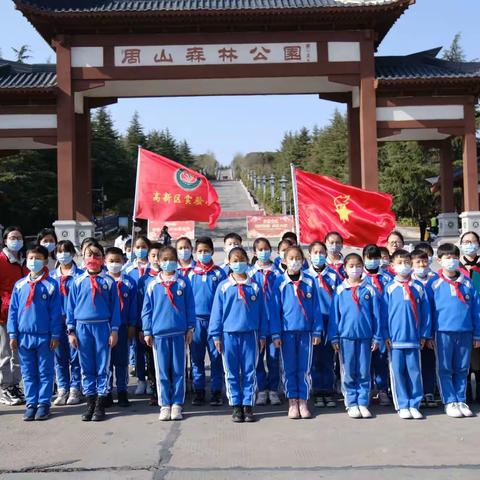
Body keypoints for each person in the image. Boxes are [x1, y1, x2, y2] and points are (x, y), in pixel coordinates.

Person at [209, 247, 266, 423]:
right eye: (234, 260)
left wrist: (263, 335)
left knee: (249, 371)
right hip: (229, 335)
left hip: (250, 334)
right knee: (231, 372)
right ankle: (235, 405)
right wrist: (216, 335)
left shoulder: (255, 286)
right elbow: (216, 313)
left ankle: (248, 404)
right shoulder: (224, 287)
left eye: (241, 259)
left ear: (247, 261)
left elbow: (263, 313)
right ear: (229, 262)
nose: (238, 263)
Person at [67, 241, 121, 422]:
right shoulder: (77, 281)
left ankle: (100, 403)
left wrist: (114, 330)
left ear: (103, 259)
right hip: (82, 328)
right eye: (88, 255)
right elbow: (70, 308)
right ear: (83, 258)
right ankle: (89, 401)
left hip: (102, 326)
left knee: (102, 366)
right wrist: (71, 331)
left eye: (96, 255)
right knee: (86, 366)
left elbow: (115, 309)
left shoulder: (108, 281)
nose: (92, 258)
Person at [7, 245, 62, 420]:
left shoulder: (51, 285)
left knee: (45, 372)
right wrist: (12, 334)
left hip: (45, 336)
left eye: (38, 258)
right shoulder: (20, 285)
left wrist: (55, 335)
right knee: (28, 372)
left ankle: (44, 404)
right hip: (24, 336)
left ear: (45, 261)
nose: (34, 261)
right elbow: (13, 311)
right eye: (31, 258)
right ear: (26, 259)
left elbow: (55, 313)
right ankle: (31, 403)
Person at [142, 246, 195, 421]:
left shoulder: (183, 282)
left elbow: (190, 307)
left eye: (171, 259)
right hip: (159, 334)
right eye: (164, 259)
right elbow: (147, 310)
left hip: (179, 333)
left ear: (177, 260)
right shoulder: (153, 284)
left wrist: (190, 328)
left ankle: (177, 404)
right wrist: (148, 330)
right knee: (162, 371)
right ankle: (165, 404)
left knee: (179, 369)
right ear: (158, 261)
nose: (167, 262)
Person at [271, 246, 324, 420]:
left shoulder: (309, 281)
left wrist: (317, 331)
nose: (294, 261)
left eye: (298, 258)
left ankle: (303, 400)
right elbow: (274, 310)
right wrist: (276, 334)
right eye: (291, 258)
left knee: (304, 369)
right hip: (286, 333)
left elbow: (316, 308)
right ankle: (292, 400)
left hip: (306, 332)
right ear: (284, 261)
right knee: (288, 368)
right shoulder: (279, 282)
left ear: (303, 261)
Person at [329, 253, 381, 419]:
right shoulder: (339, 290)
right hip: (346, 337)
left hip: (365, 337)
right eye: (351, 266)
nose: (355, 269)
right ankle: (351, 402)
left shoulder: (369, 289)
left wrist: (377, 336)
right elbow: (334, 316)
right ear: (344, 268)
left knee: (364, 370)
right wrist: (334, 337)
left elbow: (377, 316)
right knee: (349, 371)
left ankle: (362, 401)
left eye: (358, 265)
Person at [432, 243, 480, 418]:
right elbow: (428, 311)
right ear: (439, 260)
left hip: (465, 331)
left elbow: (476, 309)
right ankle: (450, 400)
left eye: (454, 257)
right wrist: (428, 333)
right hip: (443, 331)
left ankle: (461, 399)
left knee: (462, 368)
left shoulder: (467, 282)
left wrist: (477, 333)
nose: (451, 261)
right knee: (445, 367)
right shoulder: (434, 283)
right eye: (447, 258)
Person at [383, 249, 431, 420]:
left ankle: (414, 403)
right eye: (399, 263)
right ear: (392, 266)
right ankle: (402, 404)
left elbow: (426, 314)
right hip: (395, 340)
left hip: (414, 339)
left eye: (406, 262)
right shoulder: (389, 287)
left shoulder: (418, 287)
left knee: (414, 372)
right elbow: (383, 314)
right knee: (397, 372)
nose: (403, 266)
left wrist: (424, 335)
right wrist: (385, 335)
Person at [188, 236, 226, 406]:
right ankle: (199, 391)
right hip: (195, 323)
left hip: (214, 322)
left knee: (216, 358)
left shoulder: (219, 273)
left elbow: (224, 299)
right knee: (197, 359)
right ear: (195, 253)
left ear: (212, 252)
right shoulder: (190, 274)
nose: (203, 254)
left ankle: (217, 391)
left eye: (206, 251)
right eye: (200, 251)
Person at [248, 237, 282, 406]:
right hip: (257, 324)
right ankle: (261, 389)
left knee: (274, 358)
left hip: (274, 323)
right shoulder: (249, 274)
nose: (263, 252)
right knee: (258, 358)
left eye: (266, 249)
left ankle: (274, 389)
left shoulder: (278, 274)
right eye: (259, 249)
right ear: (254, 252)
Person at [305, 241, 338, 408]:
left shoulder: (333, 276)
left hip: (330, 322)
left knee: (328, 359)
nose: (318, 256)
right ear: (309, 255)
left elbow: (339, 301)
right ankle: (317, 390)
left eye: (321, 252)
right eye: (315, 252)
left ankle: (328, 390)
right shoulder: (304, 276)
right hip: (312, 324)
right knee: (315, 360)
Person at [50, 240, 84, 406]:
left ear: (73, 253)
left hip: (75, 322)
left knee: (75, 356)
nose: (63, 254)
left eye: (67, 251)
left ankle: (76, 387)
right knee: (59, 356)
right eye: (60, 251)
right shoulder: (50, 277)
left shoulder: (80, 275)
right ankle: (62, 388)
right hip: (56, 322)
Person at [104, 247, 137, 407]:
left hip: (123, 327)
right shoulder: (102, 281)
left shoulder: (130, 283)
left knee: (122, 362)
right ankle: (107, 392)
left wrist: (132, 324)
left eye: (118, 261)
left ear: (123, 262)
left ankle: (122, 391)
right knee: (107, 362)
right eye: (111, 261)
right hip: (104, 327)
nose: (114, 264)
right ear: (105, 262)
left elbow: (133, 306)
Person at [0, 226, 28, 406]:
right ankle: (4, 388)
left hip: (22, 315)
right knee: (4, 352)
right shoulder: (1, 260)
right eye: (12, 237)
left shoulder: (25, 261)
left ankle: (14, 385)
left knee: (17, 353)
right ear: (5, 240)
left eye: (19, 237)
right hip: (4, 313)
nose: (15, 240)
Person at [362, 244, 391, 407]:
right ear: (364, 258)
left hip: (382, 326)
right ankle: (366, 389)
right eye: (369, 258)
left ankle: (382, 389)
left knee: (381, 359)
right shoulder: (358, 278)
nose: (373, 261)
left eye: (376, 258)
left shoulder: (387, 278)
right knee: (364, 360)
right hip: (365, 326)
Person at [411, 247, 439, 409]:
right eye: (417, 262)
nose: (421, 264)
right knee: (415, 363)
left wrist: (429, 334)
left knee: (429, 361)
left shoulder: (436, 279)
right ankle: (417, 392)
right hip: (413, 330)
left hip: (432, 329)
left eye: (424, 261)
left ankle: (429, 391)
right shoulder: (407, 280)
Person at [458, 231, 480, 403]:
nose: (469, 244)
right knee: (463, 357)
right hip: (462, 320)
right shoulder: (455, 269)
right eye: (466, 241)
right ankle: (463, 393)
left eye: (472, 241)